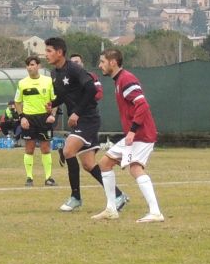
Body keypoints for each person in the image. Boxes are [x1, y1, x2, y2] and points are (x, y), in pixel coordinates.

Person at [46, 37, 127, 213]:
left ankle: (75, 197)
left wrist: (76, 112)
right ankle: (119, 195)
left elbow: (91, 89)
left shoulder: (74, 69)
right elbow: (64, 95)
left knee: (68, 151)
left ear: (60, 52)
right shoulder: (55, 73)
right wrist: (52, 104)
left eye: (49, 51)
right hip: (80, 121)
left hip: (88, 119)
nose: (46, 55)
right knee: (89, 164)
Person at [91, 49, 164, 223]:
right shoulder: (119, 81)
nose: (100, 65)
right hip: (136, 133)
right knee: (105, 163)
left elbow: (142, 105)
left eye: (102, 61)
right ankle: (111, 209)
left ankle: (155, 212)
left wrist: (132, 130)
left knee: (135, 169)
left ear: (113, 62)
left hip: (141, 134)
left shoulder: (126, 79)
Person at [15, 55, 56, 187]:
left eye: (32, 64)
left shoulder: (48, 81)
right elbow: (17, 102)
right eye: (28, 65)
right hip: (29, 119)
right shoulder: (22, 83)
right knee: (29, 148)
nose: (30, 67)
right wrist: (22, 117)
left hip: (44, 118)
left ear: (38, 66)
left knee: (45, 148)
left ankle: (48, 177)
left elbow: (55, 100)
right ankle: (29, 178)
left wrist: (53, 115)